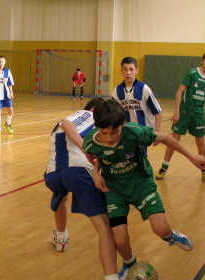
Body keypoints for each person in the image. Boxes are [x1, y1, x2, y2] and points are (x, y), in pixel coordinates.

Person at [83, 99, 205, 280]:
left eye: (114, 132)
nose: (109, 138)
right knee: (120, 240)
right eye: (104, 133)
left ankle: (172, 237)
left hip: (141, 184)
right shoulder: (90, 142)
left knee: (160, 229)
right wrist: (95, 172)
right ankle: (129, 263)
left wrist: (192, 157)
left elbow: (165, 138)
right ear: (96, 127)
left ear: (123, 124)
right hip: (115, 191)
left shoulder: (134, 132)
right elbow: (93, 157)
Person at [44, 97, 119, 280]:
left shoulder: (93, 131)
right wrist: (85, 150)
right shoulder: (88, 114)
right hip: (76, 173)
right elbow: (67, 124)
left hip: (52, 175)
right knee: (104, 226)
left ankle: (61, 238)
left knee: (61, 198)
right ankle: (113, 276)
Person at [155, 51, 205, 183]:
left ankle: (204, 170)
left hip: (198, 115)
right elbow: (179, 92)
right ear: (202, 60)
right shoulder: (192, 73)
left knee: (200, 142)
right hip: (184, 113)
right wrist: (176, 111)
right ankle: (164, 166)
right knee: (173, 140)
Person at [111, 57, 162, 136]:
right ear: (121, 71)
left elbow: (157, 111)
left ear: (136, 71)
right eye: (125, 69)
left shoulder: (144, 89)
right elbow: (113, 113)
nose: (128, 73)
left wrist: (157, 132)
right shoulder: (117, 91)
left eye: (131, 69)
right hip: (126, 132)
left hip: (143, 132)